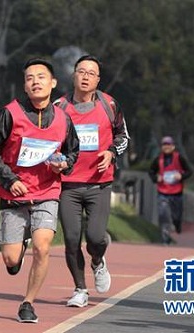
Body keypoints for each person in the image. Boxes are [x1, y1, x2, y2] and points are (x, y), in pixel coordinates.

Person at [0, 58, 80, 323]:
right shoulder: (9, 114)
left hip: (47, 191)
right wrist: (9, 179)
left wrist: (64, 165)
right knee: (11, 259)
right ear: (24, 86)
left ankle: (28, 303)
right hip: (14, 193)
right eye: (29, 78)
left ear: (53, 83)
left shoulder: (63, 118)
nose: (35, 82)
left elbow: (73, 152)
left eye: (41, 77)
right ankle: (17, 252)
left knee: (43, 246)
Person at [54, 55, 129, 308]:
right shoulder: (59, 107)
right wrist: (56, 160)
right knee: (72, 239)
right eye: (81, 71)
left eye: (91, 73)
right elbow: (49, 140)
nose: (85, 76)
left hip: (99, 184)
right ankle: (79, 289)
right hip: (69, 185)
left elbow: (123, 136)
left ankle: (98, 260)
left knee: (96, 238)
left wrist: (111, 152)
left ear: (98, 79)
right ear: (73, 75)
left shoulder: (109, 105)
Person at [148, 136, 192, 245]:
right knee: (163, 214)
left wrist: (181, 176)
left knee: (176, 216)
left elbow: (189, 171)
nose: (166, 147)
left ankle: (177, 224)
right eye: (164, 145)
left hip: (177, 192)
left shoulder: (179, 158)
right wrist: (156, 178)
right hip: (163, 192)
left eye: (168, 145)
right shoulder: (158, 159)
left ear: (173, 146)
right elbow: (151, 171)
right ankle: (165, 238)